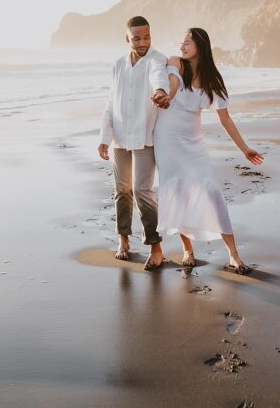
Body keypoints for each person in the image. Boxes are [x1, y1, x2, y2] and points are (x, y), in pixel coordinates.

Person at [154, 27, 264, 274]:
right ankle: (187, 250)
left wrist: (244, 149)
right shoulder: (176, 64)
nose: (182, 46)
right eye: (181, 42)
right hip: (167, 141)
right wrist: (168, 97)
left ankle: (233, 255)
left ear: (200, 45)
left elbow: (226, 119)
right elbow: (171, 84)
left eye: (187, 43)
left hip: (194, 143)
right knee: (178, 191)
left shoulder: (212, 79)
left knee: (212, 191)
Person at [98, 16, 171, 270]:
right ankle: (123, 240)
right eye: (137, 37)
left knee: (142, 192)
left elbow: (159, 78)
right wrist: (104, 138)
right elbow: (111, 102)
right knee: (122, 191)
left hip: (144, 137)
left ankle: (155, 247)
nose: (143, 42)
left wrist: (161, 92)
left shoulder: (156, 59)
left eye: (147, 36)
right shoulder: (117, 65)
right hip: (119, 138)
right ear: (127, 38)